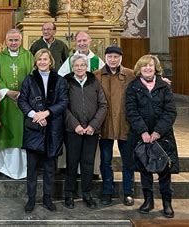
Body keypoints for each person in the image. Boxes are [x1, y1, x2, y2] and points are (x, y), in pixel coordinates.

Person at [125, 54, 179, 218]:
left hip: (162, 136)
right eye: (144, 66)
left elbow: (170, 112)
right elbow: (131, 111)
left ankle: (167, 203)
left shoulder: (164, 87)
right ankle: (148, 200)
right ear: (139, 69)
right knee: (144, 170)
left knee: (164, 171)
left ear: (156, 68)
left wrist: (157, 132)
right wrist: (143, 132)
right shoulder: (133, 87)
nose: (147, 68)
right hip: (141, 136)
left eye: (150, 65)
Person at [18, 49, 68, 213]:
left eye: (45, 59)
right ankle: (31, 199)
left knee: (49, 169)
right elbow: (22, 101)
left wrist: (47, 113)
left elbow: (63, 102)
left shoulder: (60, 81)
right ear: (35, 62)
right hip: (34, 129)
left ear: (50, 61)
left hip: (53, 129)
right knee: (31, 169)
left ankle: (48, 198)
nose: (42, 62)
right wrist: (35, 115)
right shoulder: (29, 80)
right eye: (39, 59)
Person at [63, 53, 107, 210]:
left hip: (91, 131)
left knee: (88, 163)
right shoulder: (66, 81)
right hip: (72, 130)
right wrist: (75, 125)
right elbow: (64, 106)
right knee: (72, 162)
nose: (79, 68)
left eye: (82, 65)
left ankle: (87, 194)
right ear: (72, 67)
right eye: (76, 65)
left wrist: (93, 126)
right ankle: (69, 193)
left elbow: (103, 105)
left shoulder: (94, 82)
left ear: (86, 66)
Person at [94, 46, 136, 206]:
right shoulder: (97, 75)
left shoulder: (131, 75)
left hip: (125, 123)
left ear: (121, 59)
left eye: (116, 57)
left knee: (128, 161)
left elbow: (148, 78)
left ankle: (128, 192)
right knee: (105, 161)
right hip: (104, 123)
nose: (113, 60)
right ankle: (107, 191)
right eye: (110, 56)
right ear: (105, 57)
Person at [0, 28, 34, 179]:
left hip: (24, 101)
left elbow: (32, 75)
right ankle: (4, 168)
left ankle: (23, 169)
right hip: (5, 103)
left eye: (16, 40)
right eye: (11, 40)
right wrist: (7, 92)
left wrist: (24, 93)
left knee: (22, 133)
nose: (14, 43)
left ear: (21, 40)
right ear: (6, 41)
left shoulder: (28, 56)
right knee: (6, 132)